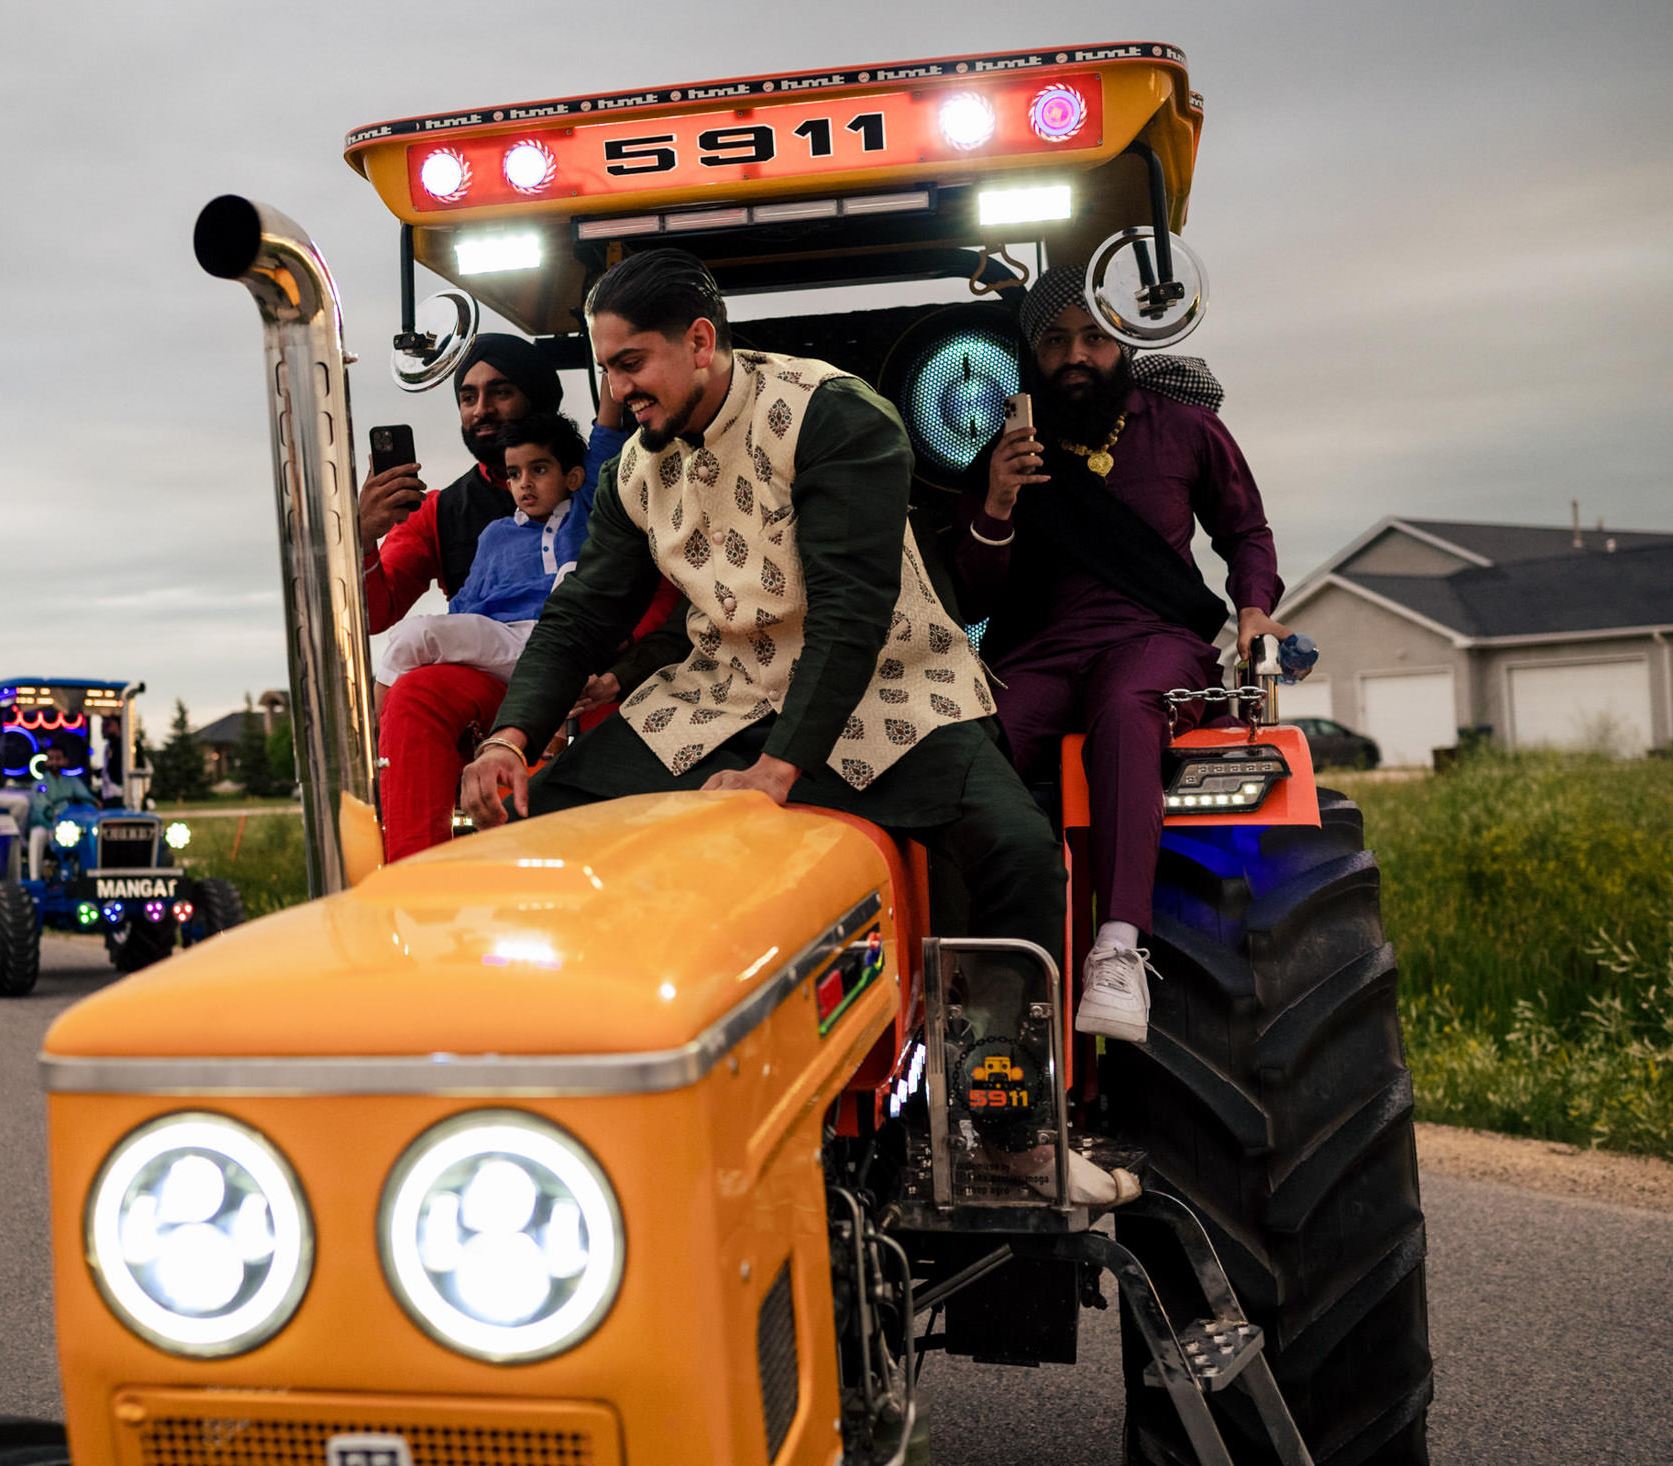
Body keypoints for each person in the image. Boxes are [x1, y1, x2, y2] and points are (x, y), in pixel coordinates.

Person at [458, 249, 1132, 1206]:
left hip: (891, 683)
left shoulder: (833, 413)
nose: (616, 392)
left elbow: (855, 606)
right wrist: (510, 740)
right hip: (722, 691)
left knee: (1021, 851)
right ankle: (580, 1124)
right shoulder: (634, 471)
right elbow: (582, 615)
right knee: (551, 833)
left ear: (700, 343)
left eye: (631, 363)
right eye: (604, 367)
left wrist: (778, 772)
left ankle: (1009, 1130)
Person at [950, 266, 1286, 1045]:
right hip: (1038, 651)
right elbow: (971, 595)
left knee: (1129, 707)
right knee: (968, 747)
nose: (1077, 355)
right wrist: (998, 501)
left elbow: (1246, 534)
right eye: (1057, 340)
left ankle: (1118, 949)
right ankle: (979, 962)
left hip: (1152, 640)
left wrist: (1255, 611)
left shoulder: (1184, 427)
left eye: (1094, 337)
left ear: (1123, 340)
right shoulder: (1006, 449)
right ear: (1032, 355)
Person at [359, 333, 656, 863]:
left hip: (600, 672)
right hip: (497, 672)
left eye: (499, 392)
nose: (481, 409)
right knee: (415, 693)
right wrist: (361, 537)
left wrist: (622, 667)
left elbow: (662, 584)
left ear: (538, 396)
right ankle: (412, 876)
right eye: (467, 398)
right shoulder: (441, 510)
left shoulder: (600, 481)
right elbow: (377, 610)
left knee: (599, 693)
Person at [374, 413, 601, 688]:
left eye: (539, 470)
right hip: (502, 640)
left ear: (574, 478)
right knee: (416, 635)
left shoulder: (587, 513)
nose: (525, 483)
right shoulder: (496, 534)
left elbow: (606, 437)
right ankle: (370, 727)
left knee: (572, 574)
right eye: (515, 474)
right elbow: (466, 602)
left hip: (569, 640)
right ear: (508, 485)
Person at [26, 741, 99, 880]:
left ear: (65, 761)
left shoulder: (73, 782)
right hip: (49, 828)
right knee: (37, 834)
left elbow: (87, 800)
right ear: (46, 761)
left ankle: (89, 876)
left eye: (58, 758)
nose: (54, 762)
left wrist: (94, 804)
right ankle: (34, 878)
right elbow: (41, 809)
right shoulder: (40, 784)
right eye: (51, 759)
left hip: (71, 829)